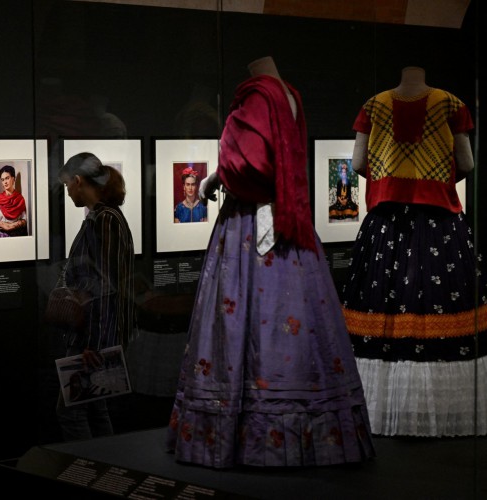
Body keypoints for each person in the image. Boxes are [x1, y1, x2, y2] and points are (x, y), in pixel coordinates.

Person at [165, 56, 376, 467]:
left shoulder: (259, 95)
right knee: (296, 316)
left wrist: (216, 177)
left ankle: (247, 436)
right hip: (290, 222)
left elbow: (249, 163)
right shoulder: (288, 95)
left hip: (249, 224)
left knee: (245, 320)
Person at [341, 66, 486, 437]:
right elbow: (467, 163)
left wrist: (390, 173)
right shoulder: (450, 104)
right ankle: (444, 408)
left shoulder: (374, 106)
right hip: (440, 223)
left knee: (383, 303)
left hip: (387, 224)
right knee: (441, 299)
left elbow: (358, 163)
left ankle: (379, 406)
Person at [53, 151, 136, 441]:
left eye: (67, 185)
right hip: (96, 335)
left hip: (94, 339)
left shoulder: (106, 220)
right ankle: (104, 471)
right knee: (94, 407)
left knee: (71, 412)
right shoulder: (103, 218)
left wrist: (94, 344)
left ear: (78, 181)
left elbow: (108, 286)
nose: (68, 191)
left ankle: (87, 473)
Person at [0, 165, 28, 238]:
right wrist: (6, 226)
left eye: (7, 178)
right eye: (2, 179)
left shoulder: (20, 199)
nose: (5, 182)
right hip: (0, 236)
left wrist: (11, 226)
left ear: (13, 179)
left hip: (16, 235)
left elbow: (24, 220)